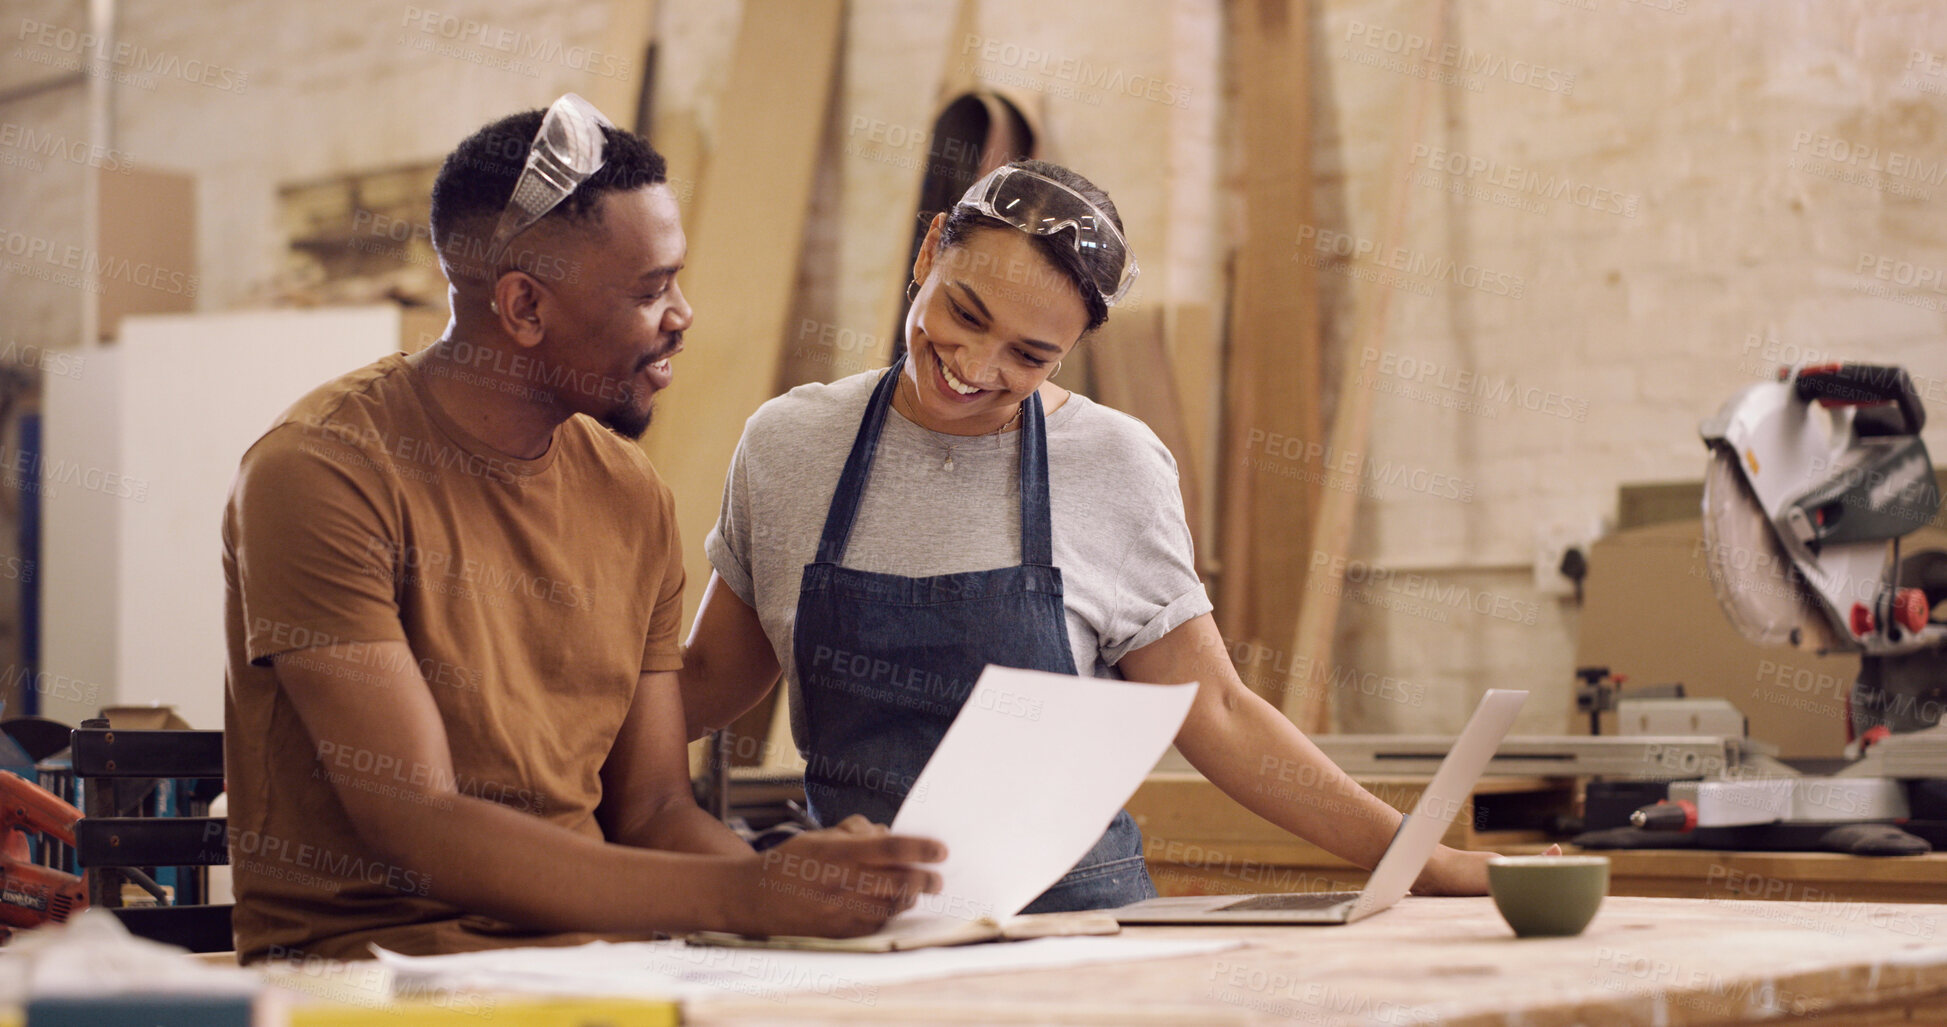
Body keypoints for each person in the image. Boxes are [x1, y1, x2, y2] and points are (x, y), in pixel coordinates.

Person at [681, 159, 1519, 912]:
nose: (974, 366)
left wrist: (1422, 860)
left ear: (1071, 348)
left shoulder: (1113, 465)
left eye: (1029, 355)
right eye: (963, 312)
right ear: (929, 248)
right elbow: (712, 675)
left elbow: (1217, 710)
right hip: (865, 924)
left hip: (1079, 928)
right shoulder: (789, 443)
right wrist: (561, 765)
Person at [221, 96, 941, 963]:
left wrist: (825, 896)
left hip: (593, 966)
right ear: (523, 306)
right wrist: (751, 893)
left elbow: (653, 813)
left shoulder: (629, 491)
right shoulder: (321, 472)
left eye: (675, 278)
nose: (681, 314)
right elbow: (418, 820)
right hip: (368, 974)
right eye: (649, 290)